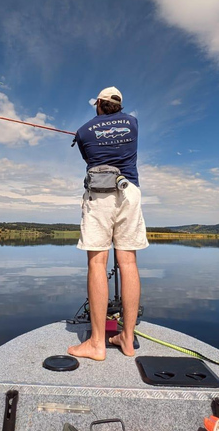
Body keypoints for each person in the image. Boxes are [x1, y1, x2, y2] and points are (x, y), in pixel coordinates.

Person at [67, 86, 149, 361]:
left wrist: (84, 134)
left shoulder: (83, 131)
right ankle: (127, 337)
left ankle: (97, 344)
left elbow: (90, 157)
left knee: (97, 263)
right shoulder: (133, 124)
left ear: (99, 104)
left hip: (99, 196)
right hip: (129, 192)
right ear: (119, 104)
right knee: (128, 263)